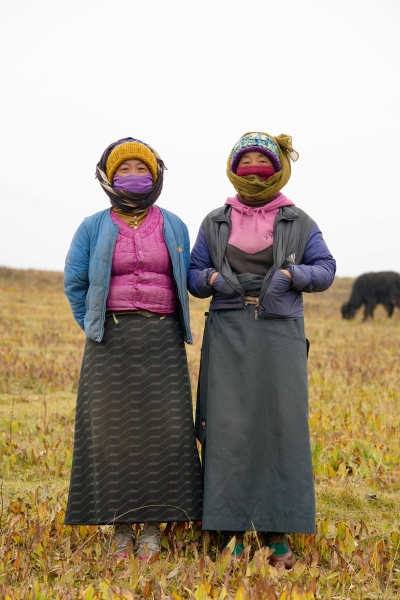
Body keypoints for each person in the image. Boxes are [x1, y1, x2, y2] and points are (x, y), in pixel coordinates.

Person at [188, 131, 336, 567]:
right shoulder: (215, 220)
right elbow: (195, 273)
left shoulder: (299, 221)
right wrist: (213, 281)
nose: (254, 167)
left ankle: (277, 534)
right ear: (233, 167)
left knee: (280, 428)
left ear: (278, 167)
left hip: (280, 334)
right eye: (245, 159)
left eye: (262, 159)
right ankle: (230, 532)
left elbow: (326, 269)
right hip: (228, 331)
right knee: (228, 431)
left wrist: (293, 277)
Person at [64, 137, 203, 560]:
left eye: (141, 170)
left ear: (156, 175)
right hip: (111, 344)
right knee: (114, 435)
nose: (133, 177)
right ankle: (121, 527)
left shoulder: (175, 224)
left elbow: (189, 277)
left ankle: (152, 527)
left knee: (167, 435)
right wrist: (94, 326)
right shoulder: (92, 225)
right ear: (108, 177)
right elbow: (76, 283)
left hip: (162, 343)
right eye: (123, 170)